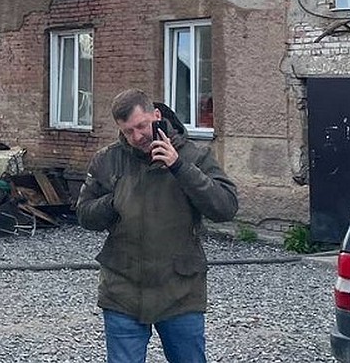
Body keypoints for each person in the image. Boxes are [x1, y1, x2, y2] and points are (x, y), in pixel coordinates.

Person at [76, 88, 238, 363]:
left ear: (157, 115)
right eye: (128, 131)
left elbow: (225, 207)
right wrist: (112, 202)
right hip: (122, 289)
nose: (137, 137)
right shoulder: (108, 159)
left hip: (180, 289)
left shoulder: (193, 155)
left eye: (141, 126)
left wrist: (179, 167)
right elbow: (83, 215)